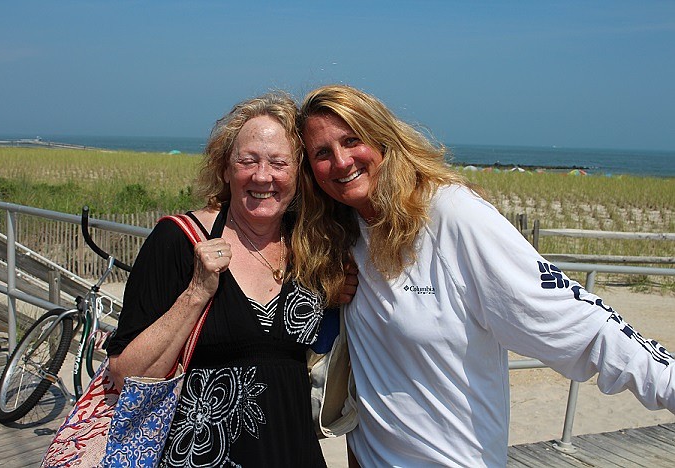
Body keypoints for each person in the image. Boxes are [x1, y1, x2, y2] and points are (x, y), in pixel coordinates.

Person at [292, 84, 675, 467]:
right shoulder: (341, 231)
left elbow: (580, 321)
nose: (341, 162)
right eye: (322, 153)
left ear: (383, 140)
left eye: (352, 140)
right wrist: (326, 287)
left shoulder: (451, 216)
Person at [106, 92, 355, 467]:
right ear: (225, 169)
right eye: (248, 161)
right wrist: (196, 293)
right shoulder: (179, 239)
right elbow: (126, 377)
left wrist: (340, 290)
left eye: (279, 163)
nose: (262, 176)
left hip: (296, 453)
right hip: (201, 458)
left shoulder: (312, 245)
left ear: (298, 174)